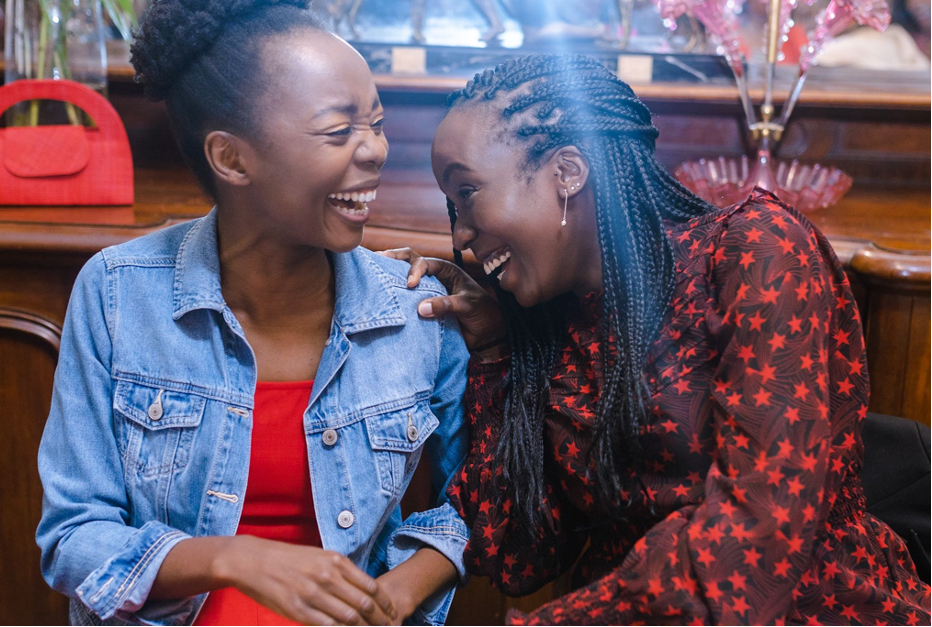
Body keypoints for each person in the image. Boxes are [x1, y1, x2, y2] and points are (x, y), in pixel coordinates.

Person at [384, 53, 932, 625]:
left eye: (467, 192)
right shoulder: (546, 321)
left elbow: (757, 537)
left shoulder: (755, 250)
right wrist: (495, 353)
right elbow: (517, 553)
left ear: (568, 170)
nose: (462, 236)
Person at [36, 2, 469, 625]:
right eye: (338, 130)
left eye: (374, 123)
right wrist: (236, 559)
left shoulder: (416, 307)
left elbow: (478, 500)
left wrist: (394, 597)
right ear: (232, 159)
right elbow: (73, 537)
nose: (375, 150)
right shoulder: (117, 293)